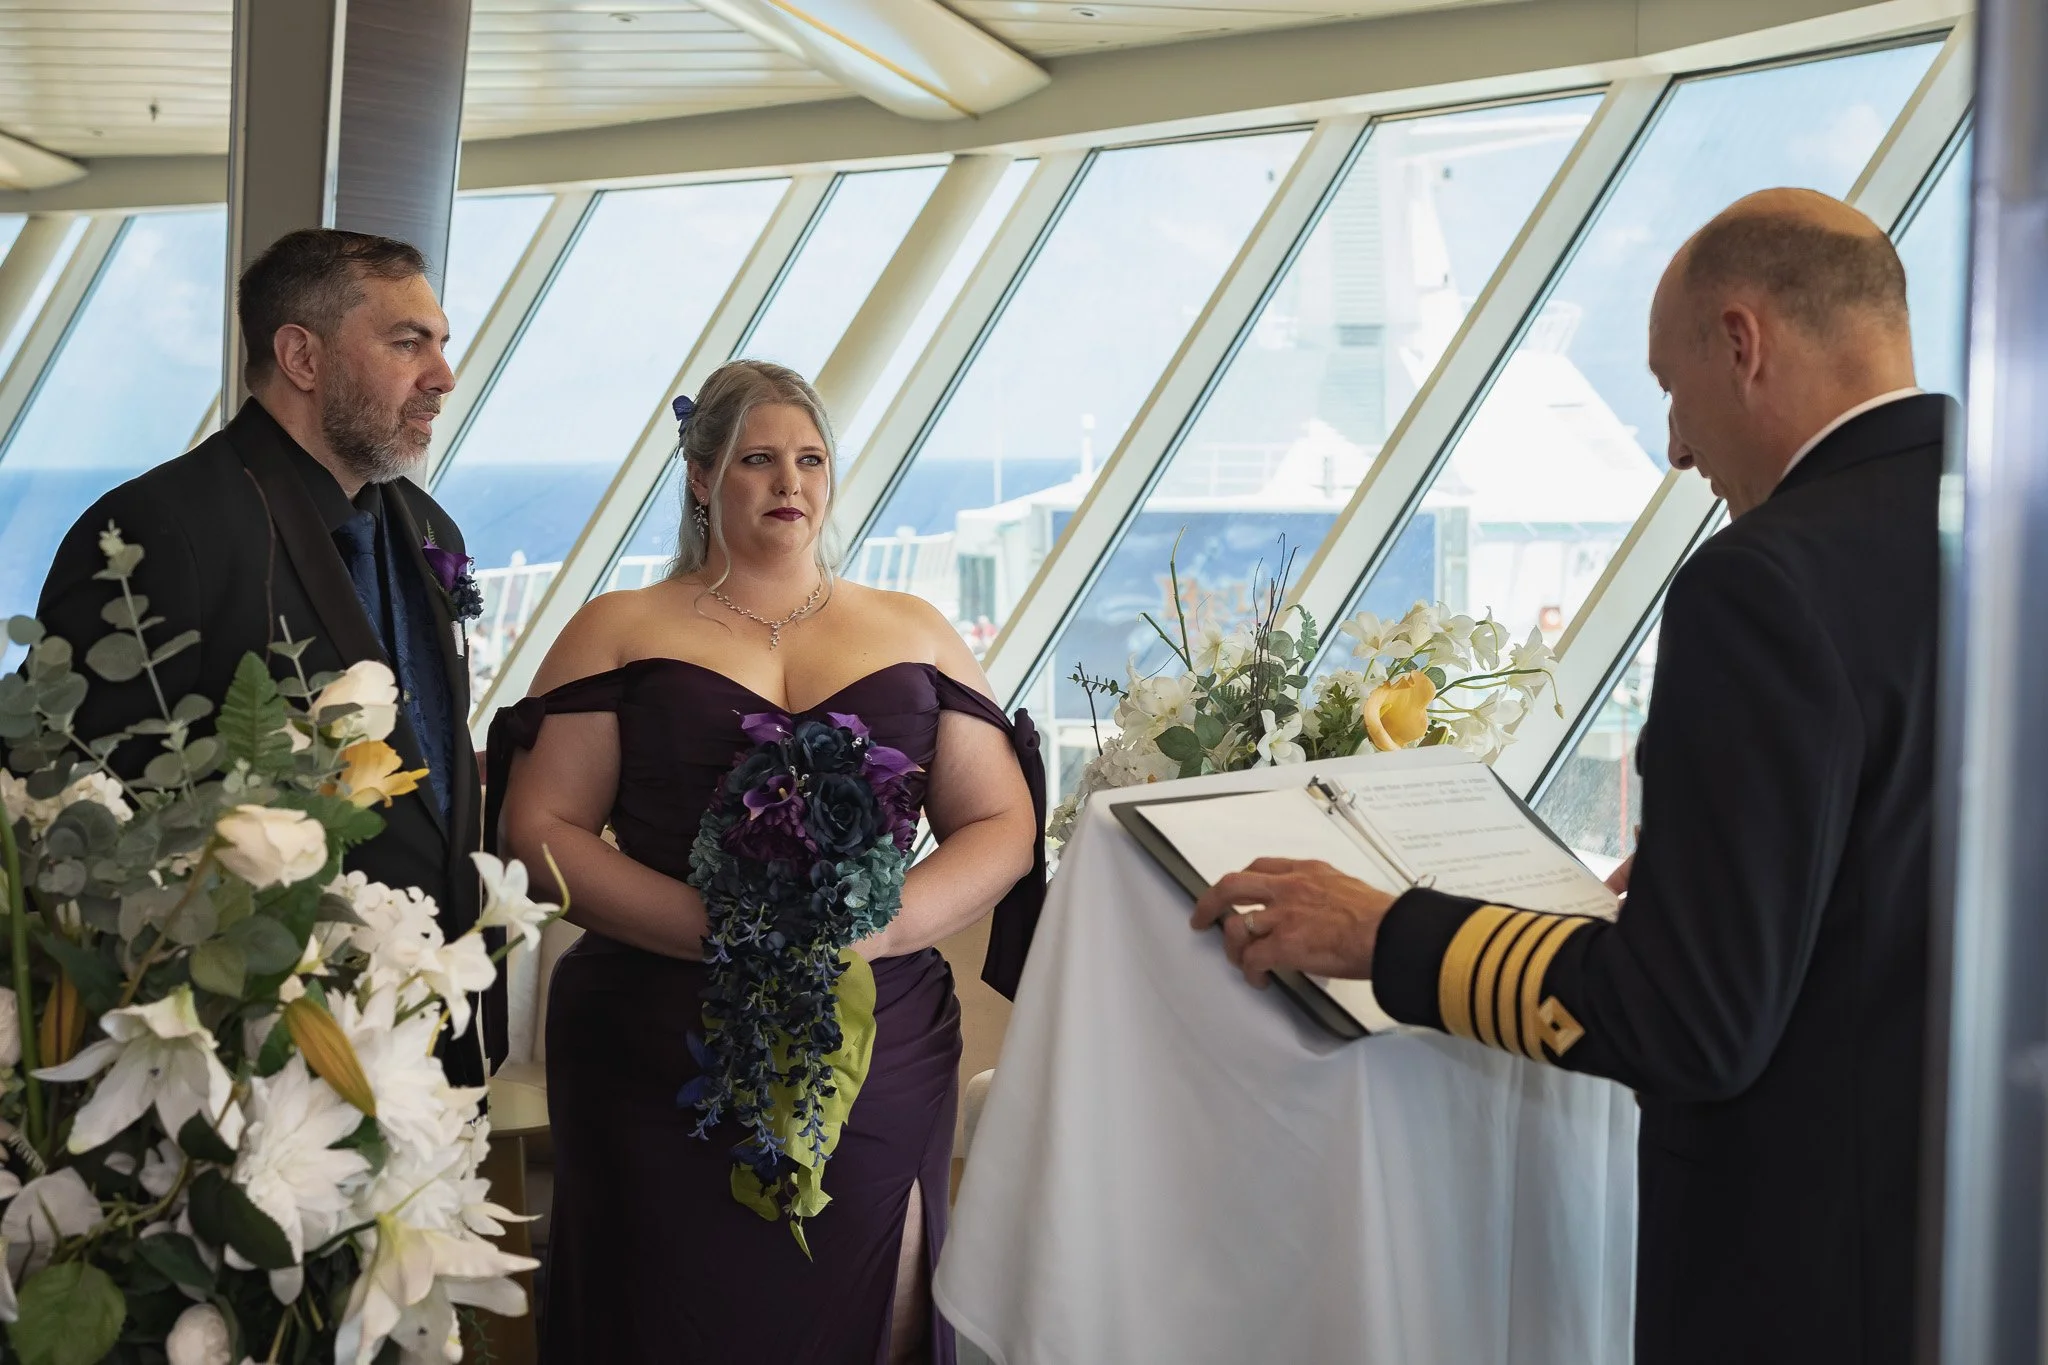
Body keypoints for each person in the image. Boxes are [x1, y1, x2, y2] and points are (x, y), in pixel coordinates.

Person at [1192, 188, 1947, 1365]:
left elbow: (1691, 1023)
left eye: (1668, 388)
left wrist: (1385, 934)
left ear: (1740, 344)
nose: (1678, 446)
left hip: (1815, 1277)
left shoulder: (1762, 587)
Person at [488, 359, 1045, 1364]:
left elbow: (1002, 818)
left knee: (871, 1302)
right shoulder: (618, 627)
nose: (789, 484)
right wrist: (711, 932)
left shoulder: (911, 629)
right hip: (650, 1040)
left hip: (874, 1037)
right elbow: (538, 831)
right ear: (701, 480)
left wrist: (884, 928)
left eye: (809, 460)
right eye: (756, 460)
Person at [32, 228, 499, 1084]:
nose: (442, 375)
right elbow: (91, 815)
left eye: (441, 344)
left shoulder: (433, 532)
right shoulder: (157, 531)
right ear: (301, 356)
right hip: (251, 1039)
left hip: (421, 1026)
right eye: (408, 343)